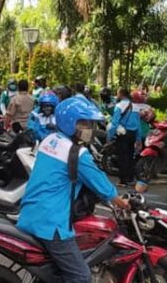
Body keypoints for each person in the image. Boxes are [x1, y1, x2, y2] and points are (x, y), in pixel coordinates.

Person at [17, 97, 130, 283]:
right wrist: (122, 203)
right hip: (51, 224)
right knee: (81, 276)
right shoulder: (76, 153)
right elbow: (102, 185)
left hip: (29, 215)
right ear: (70, 123)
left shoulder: (49, 140)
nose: (89, 129)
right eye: (84, 123)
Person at [107, 88, 142, 187]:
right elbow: (138, 124)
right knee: (130, 156)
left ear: (121, 94)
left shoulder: (119, 106)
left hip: (123, 134)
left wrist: (110, 136)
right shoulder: (135, 107)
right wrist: (138, 138)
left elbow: (114, 123)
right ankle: (130, 178)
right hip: (133, 134)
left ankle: (123, 180)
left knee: (122, 156)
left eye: (117, 93)